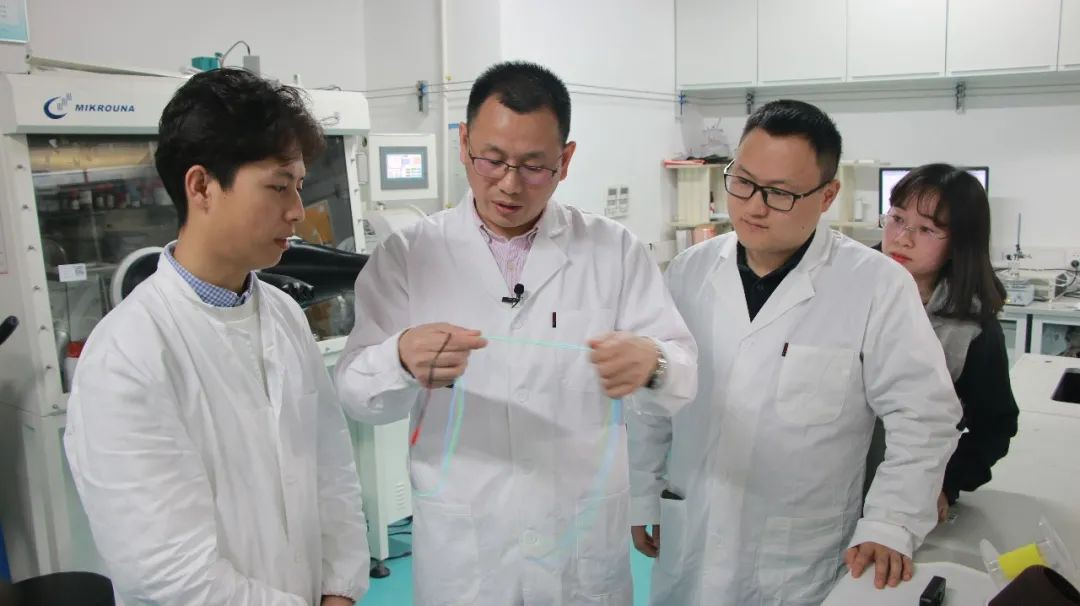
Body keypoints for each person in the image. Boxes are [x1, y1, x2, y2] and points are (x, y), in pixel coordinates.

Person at [335, 61, 697, 605]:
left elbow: (683, 373)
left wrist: (654, 364)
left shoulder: (613, 250)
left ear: (565, 161)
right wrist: (399, 360)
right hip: (466, 549)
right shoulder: (408, 255)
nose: (509, 184)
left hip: (577, 544)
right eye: (492, 160)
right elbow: (357, 395)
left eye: (533, 166)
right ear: (463, 144)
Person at [628, 99, 962, 605]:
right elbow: (653, 399)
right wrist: (641, 489)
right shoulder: (689, 272)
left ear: (828, 195)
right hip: (691, 534)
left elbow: (925, 416)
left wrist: (891, 522)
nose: (753, 206)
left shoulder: (875, 286)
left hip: (796, 558)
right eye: (742, 182)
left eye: (780, 193)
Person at [63, 69, 369, 606]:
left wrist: (339, 589)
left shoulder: (283, 315)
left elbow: (332, 472)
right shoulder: (126, 354)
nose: (297, 211)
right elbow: (167, 571)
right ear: (202, 186)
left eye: (299, 186)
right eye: (278, 186)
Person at [878, 163, 1019, 522]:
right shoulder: (846, 286)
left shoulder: (971, 329)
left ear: (959, 243)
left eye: (927, 229)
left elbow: (994, 426)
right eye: (897, 218)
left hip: (908, 492)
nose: (902, 238)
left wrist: (946, 482)